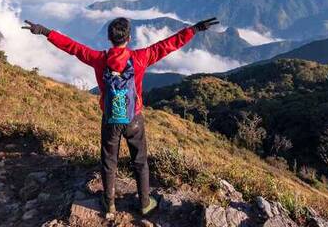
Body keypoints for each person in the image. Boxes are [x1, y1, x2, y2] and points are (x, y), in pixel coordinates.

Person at [22, 16, 219, 216]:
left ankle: (109, 203)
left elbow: (73, 47)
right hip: (134, 118)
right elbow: (167, 45)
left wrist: (45, 31)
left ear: (109, 38)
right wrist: (194, 29)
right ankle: (144, 203)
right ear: (129, 37)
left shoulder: (99, 59)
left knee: (109, 162)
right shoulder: (141, 57)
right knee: (140, 161)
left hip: (110, 119)